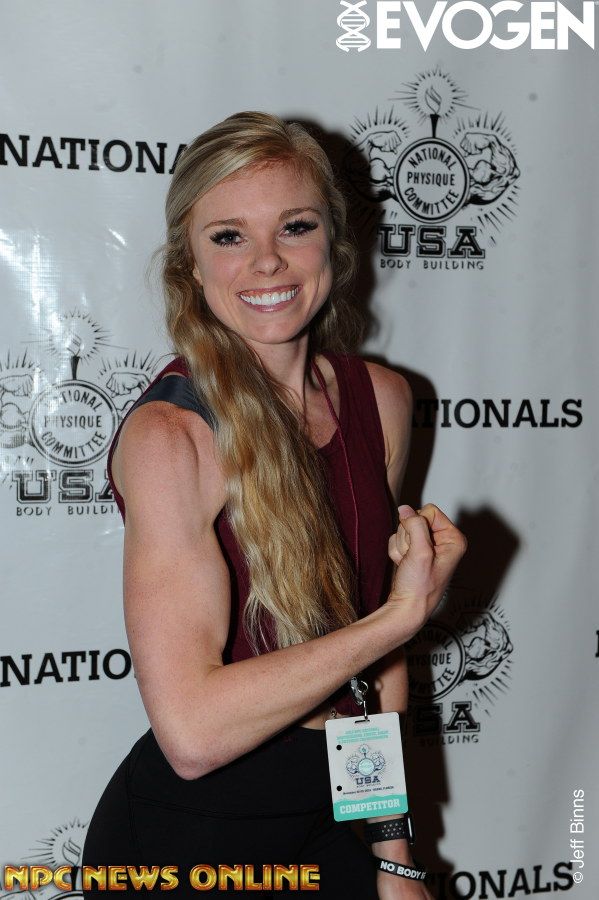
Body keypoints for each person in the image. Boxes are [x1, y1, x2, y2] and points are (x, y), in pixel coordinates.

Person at [82, 111, 467, 898]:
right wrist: (399, 617)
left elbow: (371, 673)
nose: (266, 261)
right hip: (188, 844)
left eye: (295, 226)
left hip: (326, 821)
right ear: (191, 264)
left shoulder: (381, 400)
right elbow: (193, 734)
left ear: (332, 241)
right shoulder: (172, 437)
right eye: (228, 236)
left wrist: (393, 854)